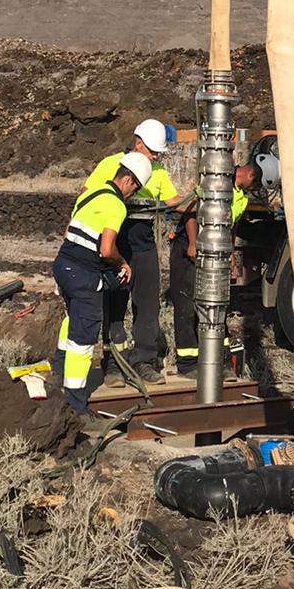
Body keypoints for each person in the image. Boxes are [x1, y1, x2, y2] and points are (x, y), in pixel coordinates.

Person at [53, 150, 153, 414]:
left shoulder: (91, 193)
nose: (133, 194)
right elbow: (107, 249)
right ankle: (74, 404)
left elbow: (69, 231)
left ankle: (57, 377)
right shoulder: (116, 205)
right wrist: (122, 264)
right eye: (136, 189)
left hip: (63, 264)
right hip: (83, 274)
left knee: (70, 318)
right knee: (83, 339)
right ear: (129, 181)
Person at [83, 119, 177, 381]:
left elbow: (173, 202)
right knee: (114, 301)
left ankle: (144, 361)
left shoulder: (157, 170)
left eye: (158, 152)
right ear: (138, 143)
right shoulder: (111, 164)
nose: (156, 156)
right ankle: (114, 363)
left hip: (143, 243)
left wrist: (202, 196)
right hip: (116, 239)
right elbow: (88, 194)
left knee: (147, 302)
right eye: (152, 150)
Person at [168, 162, 259, 378]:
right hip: (189, 248)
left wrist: (231, 256)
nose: (252, 191)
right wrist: (192, 243)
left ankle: (222, 359)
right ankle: (188, 362)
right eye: (253, 185)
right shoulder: (215, 182)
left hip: (215, 252)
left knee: (217, 304)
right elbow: (190, 212)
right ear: (249, 174)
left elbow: (232, 226)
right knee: (186, 303)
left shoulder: (241, 198)